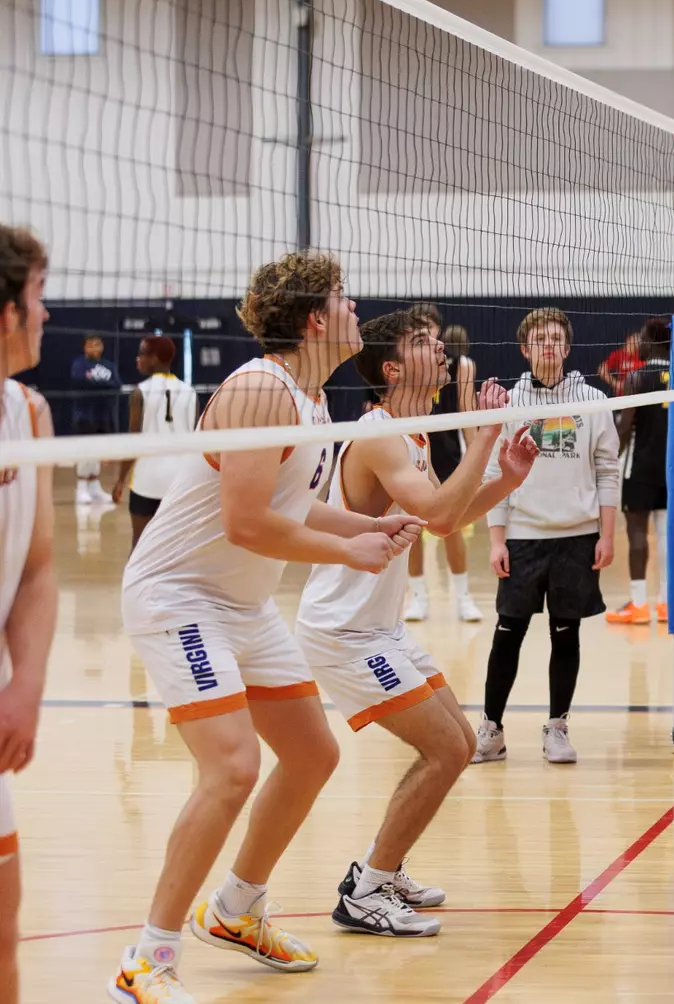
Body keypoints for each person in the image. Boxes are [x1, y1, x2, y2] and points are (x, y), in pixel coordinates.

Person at [114, 251, 422, 1004]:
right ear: (316, 320)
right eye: (345, 299)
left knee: (313, 755)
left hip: (242, 607)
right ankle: (146, 959)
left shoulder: (312, 401)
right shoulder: (258, 389)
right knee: (233, 768)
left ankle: (236, 910)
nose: (357, 309)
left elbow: (292, 503)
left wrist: (368, 523)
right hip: (178, 597)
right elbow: (248, 521)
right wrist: (347, 548)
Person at [296, 309, 534, 938]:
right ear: (395, 367)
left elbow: (443, 521)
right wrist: (484, 439)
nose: (442, 349)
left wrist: (501, 478)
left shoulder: (416, 431)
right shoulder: (378, 434)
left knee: (458, 742)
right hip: (343, 630)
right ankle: (366, 891)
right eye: (425, 343)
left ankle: (385, 867)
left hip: (380, 628)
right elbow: (433, 507)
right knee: (448, 747)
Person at [471, 307, 619, 766]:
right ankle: (491, 730)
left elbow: (608, 469)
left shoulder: (593, 399)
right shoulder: (511, 401)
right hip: (523, 536)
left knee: (565, 633)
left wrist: (606, 534)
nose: (548, 345)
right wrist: (497, 540)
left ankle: (557, 726)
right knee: (507, 634)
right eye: (539, 338)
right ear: (525, 348)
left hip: (576, 536)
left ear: (568, 347)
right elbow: (494, 473)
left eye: (556, 337)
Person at [0, 226, 57, 1004]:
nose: (48, 312)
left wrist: (28, 684)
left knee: (4, 929)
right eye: (40, 295)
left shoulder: (28, 412)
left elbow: (39, 564)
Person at [407, 322, 484, 624]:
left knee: (451, 528)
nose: (426, 337)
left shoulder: (460, 364)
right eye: (419, 332)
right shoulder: (405, 364)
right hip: (414, 452)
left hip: (449, 453)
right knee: (411, 529)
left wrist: (478, 459)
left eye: (430, 331)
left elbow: (467, 409)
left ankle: (463, 598)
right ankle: (417, 598)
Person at [607, 316, 674, 624]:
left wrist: (608, 463)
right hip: (672, 470)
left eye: (643, 339)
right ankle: (667, 604)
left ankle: (638, 604)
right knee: (666, 535)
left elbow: (624, 427)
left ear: (650, 341)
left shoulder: (637, 376)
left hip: (640, 469)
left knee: (637, 533)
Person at [111, 336, 197, 547]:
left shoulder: (141, 392)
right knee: (176, 547)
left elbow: (134, 440)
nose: (138, 359)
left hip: (147, 481)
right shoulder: (190, 392)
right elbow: (197, 442)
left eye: (142, 354)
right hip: (179, 481)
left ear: (155, 358)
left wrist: (121, 479)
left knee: (140, 546)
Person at [70, 332, 120, 505]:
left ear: (102, 346)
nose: (93, 348)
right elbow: (79, 380)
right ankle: (81, 488)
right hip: (85, 414)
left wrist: (95, 383)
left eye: (97, 344)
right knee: (85, 451)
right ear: (84, 347)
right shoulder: (79, 364)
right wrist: (102, 384)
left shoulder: (109, 365)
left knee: (99, 451)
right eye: (90, 344)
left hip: (104, 415)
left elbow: (117, 385)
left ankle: (94, 487)